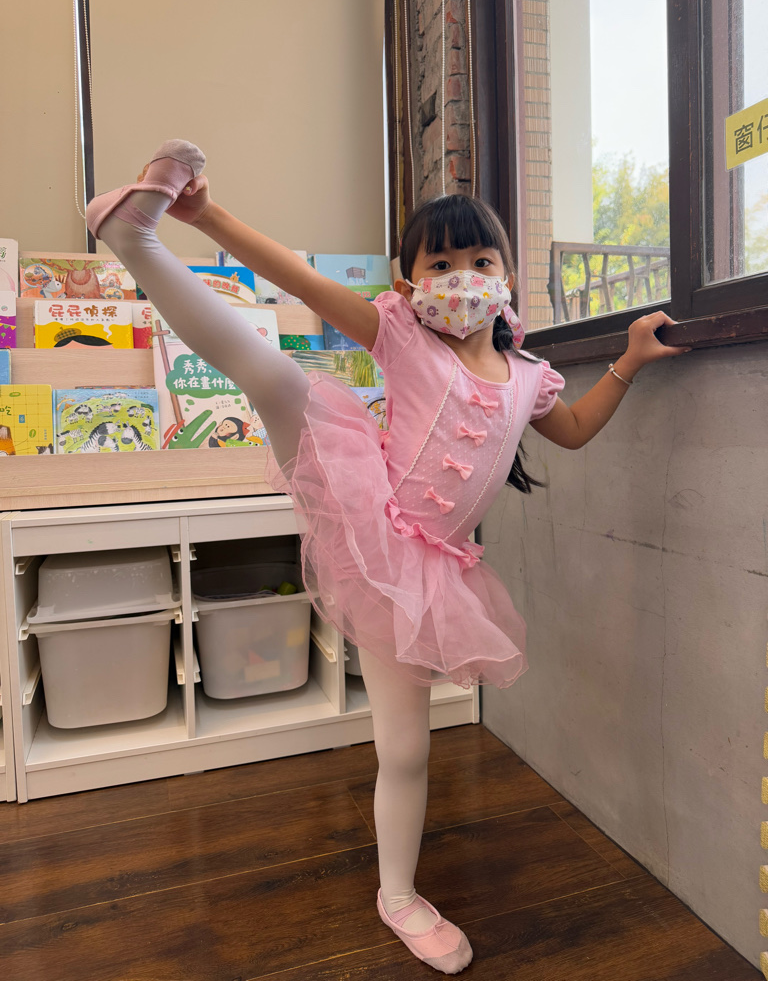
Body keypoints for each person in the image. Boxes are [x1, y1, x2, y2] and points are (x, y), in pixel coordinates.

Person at [86, 140, 690, 975]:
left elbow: (577, 430)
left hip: (425, 574)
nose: (462, 276)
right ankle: (137, 238)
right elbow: (302, 282)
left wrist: (628, 360)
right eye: (440, 263)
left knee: (406, 750)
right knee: (274, 378)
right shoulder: (402, 334)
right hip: (363, 508)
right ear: (409, 283)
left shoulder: (530, 377)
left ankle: (396, 895)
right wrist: (209, 216)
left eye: (480, 260)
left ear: (508, 275)